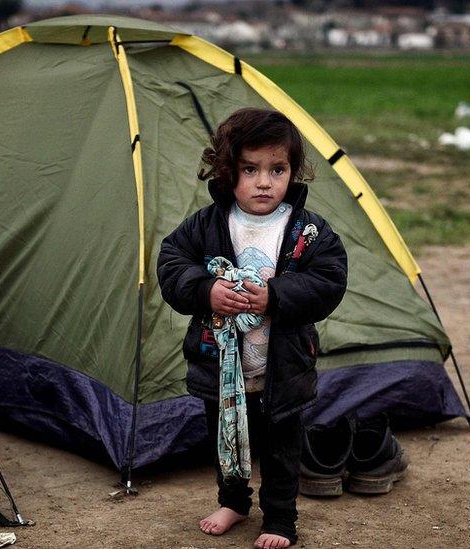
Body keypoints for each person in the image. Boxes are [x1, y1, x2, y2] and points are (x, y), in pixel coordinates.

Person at [157, 108, 347, 549]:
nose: (264, 182)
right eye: (250, 169)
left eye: (277, 169)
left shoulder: (308, 231)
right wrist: (206, 291)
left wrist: (277, 296)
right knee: (227, 440)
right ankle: (234, 501)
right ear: (228, 173)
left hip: (283, 367)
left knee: (282, 448)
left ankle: (279, 518)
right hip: (222, 369)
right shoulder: (206, 226)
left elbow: (330, 279)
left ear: (293, 172)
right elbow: (171, 265)